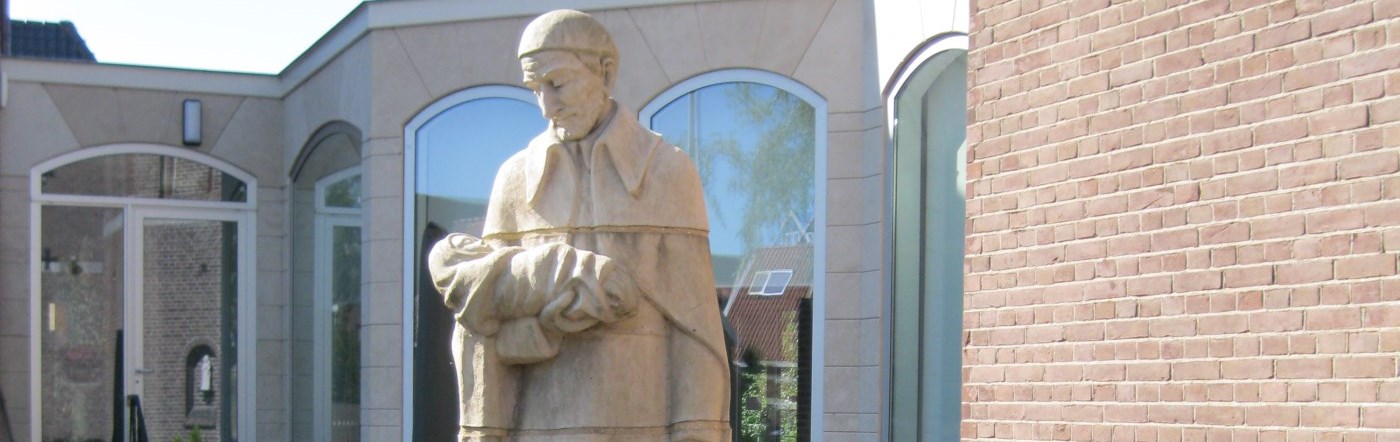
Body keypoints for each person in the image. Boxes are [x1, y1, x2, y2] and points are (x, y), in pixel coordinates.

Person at [427, 9, 731, 442]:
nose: (547, 105)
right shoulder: (516, 181)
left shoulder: (667, 173)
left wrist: (696, 435)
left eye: (558, 83)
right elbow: (484, 325)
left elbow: (695, 331)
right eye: (536, 89)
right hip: (537, 429)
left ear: (606, 73)